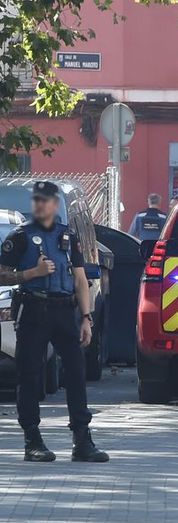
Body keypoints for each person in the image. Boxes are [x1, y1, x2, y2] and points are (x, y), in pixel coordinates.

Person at [0, 181, 108, 462]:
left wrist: (86, 318)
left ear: (55, 205)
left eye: (47, 201)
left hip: (63, 310)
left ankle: (82, 440)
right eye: (37, 201)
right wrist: (31, 273)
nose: (41, 206)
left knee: (76, 372)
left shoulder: (68, 237)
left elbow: (81, 279)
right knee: (30, 374)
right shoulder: (20, 236)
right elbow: (2, 275)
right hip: (33, 309)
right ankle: (32, 441)